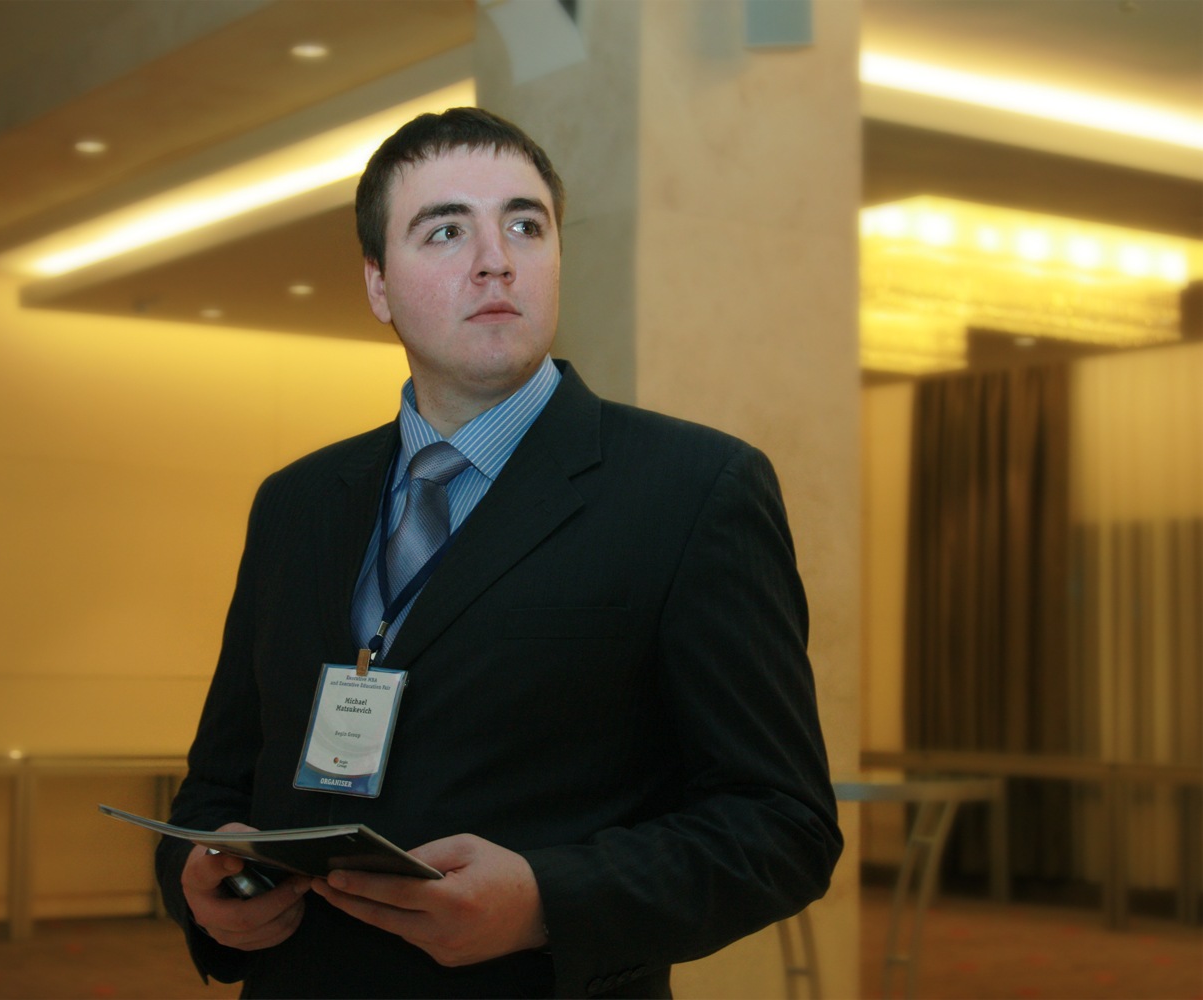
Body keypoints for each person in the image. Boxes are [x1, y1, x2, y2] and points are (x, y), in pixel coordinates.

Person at [156, 107, 840, 999]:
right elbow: (217, 789)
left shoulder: (693, 491)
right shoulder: (295, 503)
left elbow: (781, 825)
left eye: (525, 225)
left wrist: (548, 902)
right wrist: (202, 889)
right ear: (378, 286)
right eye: (446, 231)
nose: (496, 260)